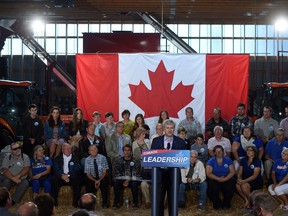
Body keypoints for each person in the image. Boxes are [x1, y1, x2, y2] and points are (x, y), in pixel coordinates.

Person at [151, 119, 186, 216]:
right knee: (159, 201)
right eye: (167, 128)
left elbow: (183, 159)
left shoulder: (180, 142)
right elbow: (152, 157)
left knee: (173, 201)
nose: (169, 130)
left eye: (171, 128)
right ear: (164, 129)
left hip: (173, 175)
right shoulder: (156, 141)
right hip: (159, 174)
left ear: (174, 129)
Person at [51, 143, 82, 207]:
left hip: (71, 177)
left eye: (69, 148)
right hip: (61, 177)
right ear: (62, 150)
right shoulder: (57, 158)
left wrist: (68, 175)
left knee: (78, 180)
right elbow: (56, 169)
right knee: (54, 180)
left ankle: (76, 203)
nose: (68, 150)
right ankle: (54, 203)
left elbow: (78, 168)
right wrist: (61, 175)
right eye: (66, 149)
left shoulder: (75, 158)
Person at [206, 145, 235, 210]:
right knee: (212, 188)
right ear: (214, 153)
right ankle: (217, 204)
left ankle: (226, 203)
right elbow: (208, 173)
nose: (219, 152)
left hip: (226, 177)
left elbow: (232, 172)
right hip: (214, 178)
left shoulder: (228, 160)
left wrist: (225, 178)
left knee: (230, 186)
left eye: (220, 151)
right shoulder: (211, 161)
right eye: (217, 151)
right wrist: (218, 178)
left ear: (223, 152)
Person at [112, 144, 141, 209]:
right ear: (123, 151)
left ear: (131, 151)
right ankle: (116, 202)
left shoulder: (136, 161)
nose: (127, 152)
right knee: (116, 182)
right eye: (125, 150)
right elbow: (116, 173)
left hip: (132, 180)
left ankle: (135, 203)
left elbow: (137, 173)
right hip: (122, 180)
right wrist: (123, 181)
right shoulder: (118, 161)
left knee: (134, 183)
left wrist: (128, 180)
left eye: (128, 150)